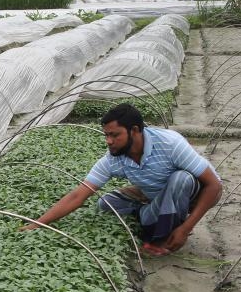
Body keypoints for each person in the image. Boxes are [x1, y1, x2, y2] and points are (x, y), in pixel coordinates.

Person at [23, 103, 222, 255]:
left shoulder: (170, 144)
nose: (109, 141)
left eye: (114, 135)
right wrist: (37, 223)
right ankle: (147, 213)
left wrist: (187, 228)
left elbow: (214, 186)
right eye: (106, 135)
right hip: (153, 195)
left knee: (181, 178)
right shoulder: (114, 158)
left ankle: (161, 237)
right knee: (104, 204)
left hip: (192, 195)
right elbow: (78, 195)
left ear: (134, 130)